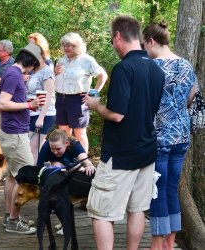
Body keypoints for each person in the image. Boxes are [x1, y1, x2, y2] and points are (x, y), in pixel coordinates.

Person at [83, 16, 165, 249]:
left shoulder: (123, 68)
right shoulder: (156, 70)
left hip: (120, 154)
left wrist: (95, 104)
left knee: (100, 212)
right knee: (138, 209)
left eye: (112, 40)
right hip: (147, 151)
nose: (113, 45)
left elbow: (117, 114)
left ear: (118, 36)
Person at [142, 21, 197, 250]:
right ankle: (169, 243)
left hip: (159, 137)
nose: (145, 49)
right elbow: (193, 95)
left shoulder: (151, 67)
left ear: (152, 41)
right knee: (171, 189)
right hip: (181, 136)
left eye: (145, 44)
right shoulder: (186, 65)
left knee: (157, 191)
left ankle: (156, 246)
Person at [0, 43, 46, 234]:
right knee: (25, 179)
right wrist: (29, 104)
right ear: (31, 63)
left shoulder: (13, 74)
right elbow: (1, 104)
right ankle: (13, 221)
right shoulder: (13, 75)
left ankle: (9, 216)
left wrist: (27, 104)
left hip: (13, 133)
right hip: (15, 136)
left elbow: (3, 104)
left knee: (12, 177)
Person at [54, 32, 107, 153]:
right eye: (64, 45)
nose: (66, 48)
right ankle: (67, 159)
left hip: (78, 100)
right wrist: (55, 72)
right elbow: (55, 79)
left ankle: (83, 163)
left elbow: (102, 76)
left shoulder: (87, 60)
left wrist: (93, 94)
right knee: (63, 133)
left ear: (77, 45)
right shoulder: (62, 60)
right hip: (61, 99)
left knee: (80, 133)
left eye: (69, 45)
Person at [26, 34, 56, 163]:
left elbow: (49, 95)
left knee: (33, 148)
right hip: (32, 113)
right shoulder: (33, 71)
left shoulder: (47, 71)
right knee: (29, 148)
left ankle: (35, 179)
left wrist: (41, 117)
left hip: (44, 115)